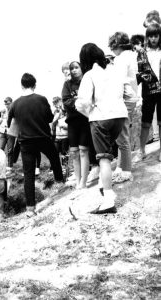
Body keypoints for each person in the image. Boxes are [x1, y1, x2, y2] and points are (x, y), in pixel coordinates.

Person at [76, 43, 132, 214]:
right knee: (108, 150)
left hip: (101, 117)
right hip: (120, 116)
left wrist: (87, 112)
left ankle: (108, 200)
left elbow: (83, 102)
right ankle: (102, 184)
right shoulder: (114, 71)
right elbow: (129, 94)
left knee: (104, 159)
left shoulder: (89, 75)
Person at [7, 73, 64, 217]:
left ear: (21, 85)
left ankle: (30, 209)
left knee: (28, 174)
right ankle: (59, 183)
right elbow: (49, 118)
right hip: (43, 137)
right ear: (35, 85)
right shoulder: (41, 99)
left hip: (25, 142)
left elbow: (10, 125)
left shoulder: (15, 104)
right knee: (54, 157)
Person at [108, 32, 138, 183]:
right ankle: (120, 167)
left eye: (112, 47)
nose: (112, 51)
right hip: (132, 96)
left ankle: (126, 170)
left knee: (122, 135)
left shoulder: (120, 59)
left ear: (116, 45)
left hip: (124, 98)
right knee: (122, 134)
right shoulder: (132, 55)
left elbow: (118, 82)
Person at [133, 24, 161, 162]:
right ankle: (141, 150)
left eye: (156, 35)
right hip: (148, 91)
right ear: (147, 37)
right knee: (145, 122)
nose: (153, 39)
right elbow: (138, 72)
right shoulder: (142, 53)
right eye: (151, 36)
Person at [62, 61, 91, 189]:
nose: (74, 70)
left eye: (76, 67)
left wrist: (77, 102)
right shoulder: (67, 84)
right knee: (74, 153)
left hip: (85, 120)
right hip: (72, 121)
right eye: (71, 68)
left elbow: (90, 99)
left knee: (84, 151)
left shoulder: (87, 81)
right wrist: (80, 102)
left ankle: (84, 182)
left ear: (81, 68)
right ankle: (78, 182)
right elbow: (66, 100)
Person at [0, 97, 16, 172]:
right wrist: (0, 114)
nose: (6, 105)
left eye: (7, 104)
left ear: (11, 103)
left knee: (10, 150)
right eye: (5, 104)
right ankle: (0, 166)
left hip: (11, 132)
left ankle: (10, 167)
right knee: (0, 149)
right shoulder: (3, 111)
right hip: (2, 131)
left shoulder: (14, 111)